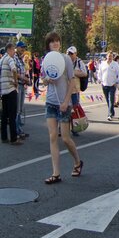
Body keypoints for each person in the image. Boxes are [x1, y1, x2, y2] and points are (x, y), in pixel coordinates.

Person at [41, 32, 83, 184]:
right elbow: (43, 80)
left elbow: (72, 81)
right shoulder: (46, 59)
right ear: (48, 45)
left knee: (65, 138)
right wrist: (47, 79)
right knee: (53, 137)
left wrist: (66, 102)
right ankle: (56, 173)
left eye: (57, 41)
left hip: (64, 103)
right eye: (52, 42)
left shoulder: (65, 59)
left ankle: (78, 161)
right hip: (51, 102)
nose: (56, 43)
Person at [1, 43, 22, 145]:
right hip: (10, 90)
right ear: (9, 49)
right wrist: (16, 81)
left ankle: (4, 137)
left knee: (4, 115)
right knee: (12, 115)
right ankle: (14, 138)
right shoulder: (10, 59)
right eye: (13, 50)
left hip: (3, 91)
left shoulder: (1, 60)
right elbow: (14, 69)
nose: (14, 52)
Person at [67, 46, 88, 137]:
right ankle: (64, 128)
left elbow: (84, 73)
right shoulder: (65, 61)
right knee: (65, 109)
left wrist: (73, 72)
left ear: (75, 54)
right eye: (69, 53)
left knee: (74, 109)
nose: (70, 55)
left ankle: (75, 128)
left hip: (75, 90)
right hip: (65, 90)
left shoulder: (79, 62)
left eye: (72, 54)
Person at [14, 41, 31, 140]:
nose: (23, 49)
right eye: (21, 47)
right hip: (17, 86)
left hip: (22, 85)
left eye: (24, 48)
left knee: (20, 109)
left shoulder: (21, 59)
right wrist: (24, 79)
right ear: (17, 48)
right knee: (17, 110)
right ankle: (17, 130)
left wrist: (26, 79)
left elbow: (23, 71)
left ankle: (19, 129)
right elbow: (15, 73)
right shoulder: (15, 58)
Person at [99, 51, 119, 121]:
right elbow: (99, 73)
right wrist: (100, 80)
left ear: (113, 57)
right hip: (104, 85)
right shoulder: (103, 64)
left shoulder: (115, 64)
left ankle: (109, 115)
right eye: (109, 56)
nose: (110, 58)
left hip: (112, 85)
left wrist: (117, 81)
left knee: (111, 100)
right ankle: (112, 111)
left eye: (111, 56)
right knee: (108, 100)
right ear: (106, 56)